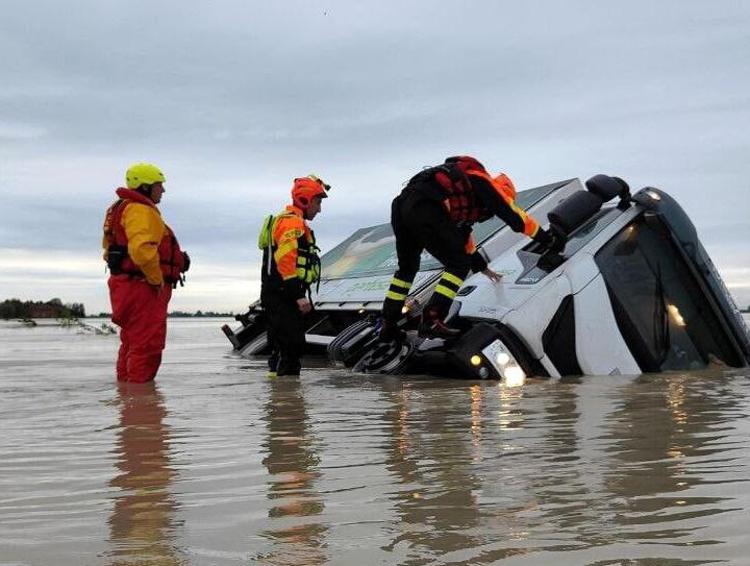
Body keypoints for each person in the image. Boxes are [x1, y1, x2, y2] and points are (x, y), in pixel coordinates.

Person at [380, 155, 558, 340]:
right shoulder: (485, 183)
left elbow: (463, 238)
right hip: (426, 205)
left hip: (402, 206)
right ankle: (432, 319)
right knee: (458, 264)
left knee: (407, 269)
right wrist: (546, 239)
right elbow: (515, 217)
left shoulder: (464, 188)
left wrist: (482, 268)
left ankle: (388, 324)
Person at [102, 163, 190, 383]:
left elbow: (108, 248)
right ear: (145, 187)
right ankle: (141, 408)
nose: (163, 190)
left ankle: (128, 399)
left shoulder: (121, 209)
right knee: (147, 346)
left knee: (131, 343)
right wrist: (156, 279)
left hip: (124, 285)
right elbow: (141, 249)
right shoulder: (141, 210)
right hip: (143, 287)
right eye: (159, 185)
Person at [259, 175, 329, 377]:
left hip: (278, 294)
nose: (319, 209)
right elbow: (286, 261)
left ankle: (282, 401)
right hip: (284, 294)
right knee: (291, 347)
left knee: (282, 348)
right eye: (317, 202)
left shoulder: (290, 222)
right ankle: (288, 401)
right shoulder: (292, 224)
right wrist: (298, 295)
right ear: (305, 200)